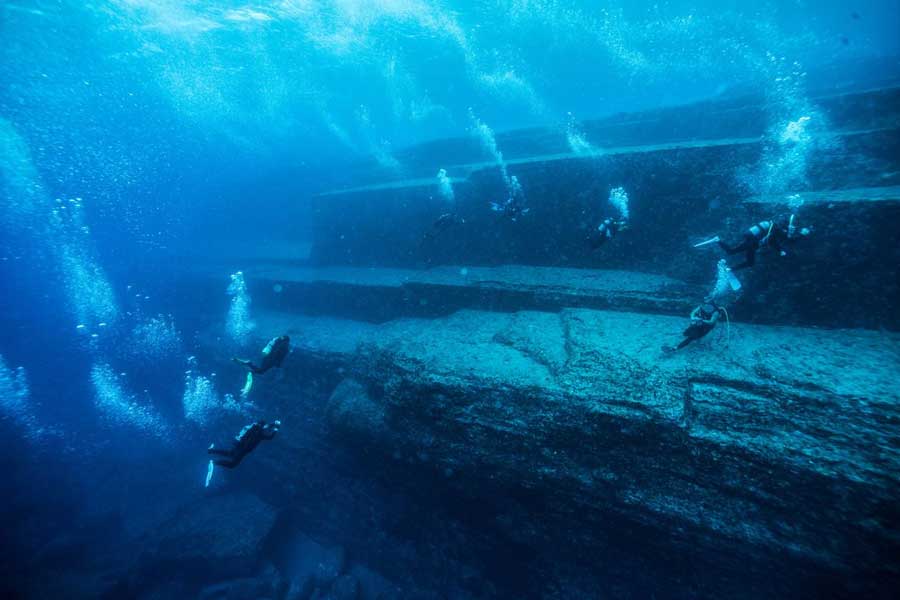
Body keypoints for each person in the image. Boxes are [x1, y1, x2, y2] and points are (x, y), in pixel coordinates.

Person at [714, 214, 811, 270]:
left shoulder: (775, 227)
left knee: (733, 252)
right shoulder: (778, 230)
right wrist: (802, 235)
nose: (792, 230)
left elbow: (772, 241)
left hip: (751, 239)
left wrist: (779, 250)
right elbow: (789, 241)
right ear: (787, 226)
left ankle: (718, 242)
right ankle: (729, 268)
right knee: (744, 259)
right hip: (752, 242)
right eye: (792, 228)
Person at [208, 420, 281, 469]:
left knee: (229, 453)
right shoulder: (260, 434)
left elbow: (265, 426)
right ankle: (214, 462)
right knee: (233, 464)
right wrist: (276, 428)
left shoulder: (253, 428)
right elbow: (270, 437)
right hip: (244, 449)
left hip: (239, 444)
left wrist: (274, 423)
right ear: (262, 426)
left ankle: (211, 451)